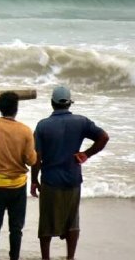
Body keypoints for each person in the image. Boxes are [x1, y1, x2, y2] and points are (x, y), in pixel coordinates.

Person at [30, 86, 109, 260]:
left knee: (46, 223)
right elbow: (104, 137)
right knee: (72, 221)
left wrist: (34, 180)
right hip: (73, 178)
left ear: (52, 103)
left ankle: (45, 258)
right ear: (69, 104)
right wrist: (86, 154)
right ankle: (70, 257)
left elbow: (37, 157)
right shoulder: (81, 122)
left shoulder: (43, 126)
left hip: (50, 180)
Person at [0, 91, 37, 260]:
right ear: (16, 109)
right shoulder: (25, 131)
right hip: (17, 186)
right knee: (16, 229)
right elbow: (31, 160)